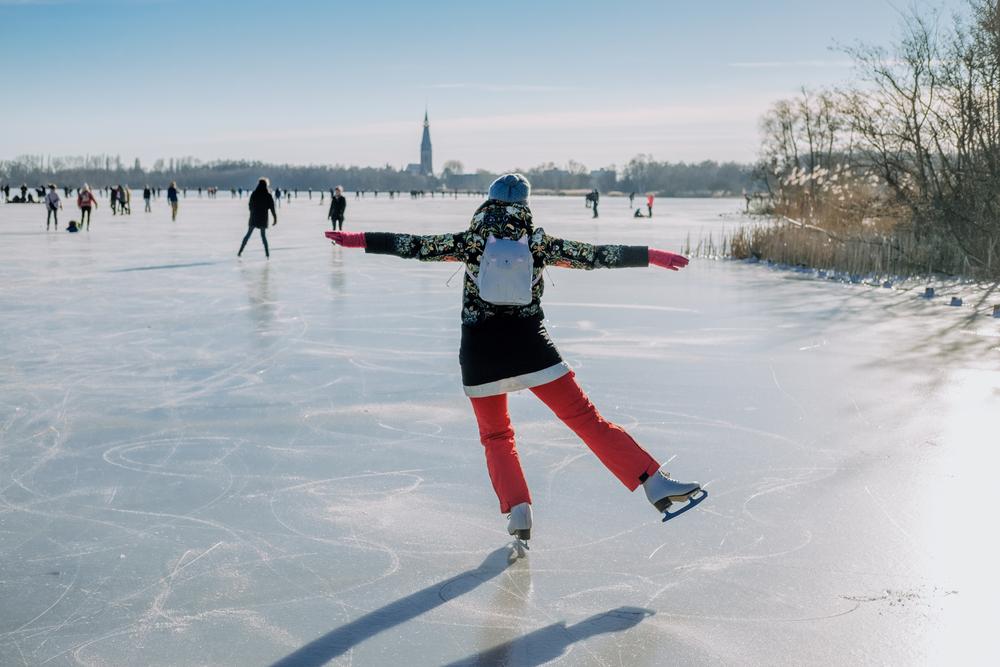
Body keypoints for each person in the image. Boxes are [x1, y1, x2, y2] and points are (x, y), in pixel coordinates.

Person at [325, 173, 701, 546]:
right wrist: (651, 255)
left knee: (496, 435)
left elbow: (413, 245)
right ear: (525, 205)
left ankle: (518, 510)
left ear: (487, 202)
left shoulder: (471, 241)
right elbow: (595, 256)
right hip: (531, 348)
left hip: (480, 355)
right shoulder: (537, 243)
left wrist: (357, 239)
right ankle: (653, 483)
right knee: (587, 421)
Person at [238, 178, 277, 258]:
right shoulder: (268, 195)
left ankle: (240, 251)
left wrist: (252, 211)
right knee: (263, 236)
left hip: (254, 217)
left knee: (248, 234)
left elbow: (250, 205)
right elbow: (272, 208)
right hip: (263, 218)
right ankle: (267, 255)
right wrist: (275, 218)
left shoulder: (254, 194)